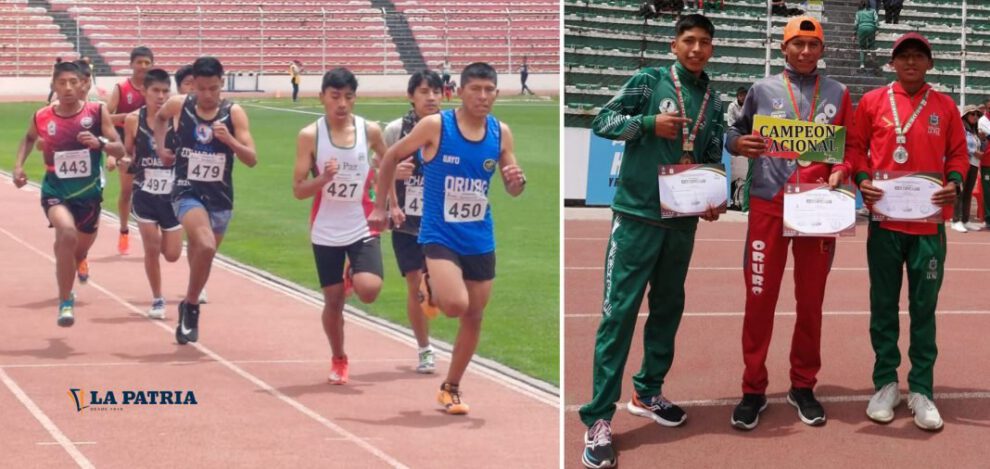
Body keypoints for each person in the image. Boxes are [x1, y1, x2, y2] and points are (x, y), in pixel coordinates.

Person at [574, 14, 724, 468]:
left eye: (704, 43)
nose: (696, 49)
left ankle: (648, 391)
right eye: (689, 41)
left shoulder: (713, 98)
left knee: (667, 309)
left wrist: (713, 196)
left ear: (712, 48)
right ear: (673, 45)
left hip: (682, 221)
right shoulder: (648, 79)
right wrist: (646, 124)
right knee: (618, 313)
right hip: (637, 215)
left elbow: (712, 151)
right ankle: (599, 418)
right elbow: (602, 120)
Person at [369, 62, 527, 416]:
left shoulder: (501, 133)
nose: (483, 96)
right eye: (476, 89)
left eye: (489, 90)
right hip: (438, 233)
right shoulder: (437, 126)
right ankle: (428, 282)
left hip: (479, 236)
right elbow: (391, 156)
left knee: (475, 315)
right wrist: (380, 206)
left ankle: (450, 387)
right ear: (460, 92)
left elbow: (512, 184)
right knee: (455, 305)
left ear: (497, 94)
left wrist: (516, 182)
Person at [727, 16, 853, 431]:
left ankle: (803, 385)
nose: (804, 51)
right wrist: (737, 143)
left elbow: (849, 147)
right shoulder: (762, 90)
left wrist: (843, 169)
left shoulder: (838, 92)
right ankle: (753, 389)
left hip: (816, 207)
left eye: (812, 45)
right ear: (784, 48)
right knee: (759, 300)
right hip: (768, 205)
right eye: (796, 44)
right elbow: (734, 132)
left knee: (810, 303)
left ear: (822, 50)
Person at [846, 32, 968, 432]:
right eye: (904, 56)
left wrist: (954, 180)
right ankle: (885, 383)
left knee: (923, 308)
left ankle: (921, 388)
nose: (911, 62)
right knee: (883, 305)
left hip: (929, 223)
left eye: (918, 56)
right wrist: (862, 177)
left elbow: (959, 154)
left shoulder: (945, 106)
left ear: (929, 63)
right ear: (893, 63)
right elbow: (855, 147)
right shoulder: (873, 102)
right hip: (884, 222)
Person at [292, 67, 388, 384]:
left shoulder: (370, 131)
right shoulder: (310, 136)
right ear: (322, 98)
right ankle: (339, 357)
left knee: (369, 290)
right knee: (333, 302)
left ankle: (354, 275)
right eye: (335, 97)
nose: (342, 104)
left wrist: (389, 205)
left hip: (362, 223)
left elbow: (388, 164)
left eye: (348, 97)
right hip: (326, 228)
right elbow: (298, 189)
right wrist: (323, 179)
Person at [152, 56, 258, 344]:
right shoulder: (179, 105)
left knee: (205, 254)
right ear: (193, 86)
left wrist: (231, 142)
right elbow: (159, 119)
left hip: (220, 197)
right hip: (187, 190)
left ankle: (188, 301)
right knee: (206, 243)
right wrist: (161, 148)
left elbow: (252, 159)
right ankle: (193, 308)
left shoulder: (233, 114)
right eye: (202, 89)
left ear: (222, 83)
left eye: (214, 88)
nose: (208, 95)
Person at [12, 61, 124, 326]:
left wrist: (101, 143)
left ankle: (78, 259)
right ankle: (65, 301)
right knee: (66, 233)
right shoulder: (42, 116)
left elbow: (119, 149)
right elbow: (29, 138)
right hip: (56, 190)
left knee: (77, 250)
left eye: (73, 82)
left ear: (82, 84)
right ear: (53, 86)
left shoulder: (97, 112)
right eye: (62, 83)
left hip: (88, 194)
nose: (68, 88)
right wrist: (18, 167)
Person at [383, 69, 444, 374]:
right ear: (411, 96)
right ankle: (425, 349)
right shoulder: (395, 131)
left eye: (435, 91)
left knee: (443, 290)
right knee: (412, 285)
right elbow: (378, 173)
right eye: (423, 91)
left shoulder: (452, 128)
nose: (431, 97)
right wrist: (393, 184)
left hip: (443, 223)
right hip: (406, 220)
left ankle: (433, 289)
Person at [121, 68, 183, 319]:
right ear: (143, 92)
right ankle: (158, 298)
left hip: (173, 195)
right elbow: (128, 151)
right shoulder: (133, 120)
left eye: (165, 91)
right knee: (151, 247)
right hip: (145, 192)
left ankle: (159, 260)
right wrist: (124, 160)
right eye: (155, 91)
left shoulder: (178, 119)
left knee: (172, 254)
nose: (160, 96)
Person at [108, 46, 155, 255]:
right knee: (127, 192)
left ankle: (151, 235)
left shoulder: (156, 89)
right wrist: (128, 118)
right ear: (131, 64)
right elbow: (106, 118)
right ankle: (124, 230)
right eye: (139, 62)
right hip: (125, 147)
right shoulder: (121, 88)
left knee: (151, 192)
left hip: (149, 147)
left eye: (147, 63)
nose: (143, 66)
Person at [951, 105, 984, 232]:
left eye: (977, 115)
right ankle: (956, 220)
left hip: (974, 164)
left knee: (968, 192)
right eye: (972, 114)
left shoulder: (973, 130)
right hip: (964, 162)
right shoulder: (960, 128)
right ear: (965, 115)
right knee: (960, 192)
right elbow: (958, 143)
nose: (975, 117)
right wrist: (973, 151)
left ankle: (965, 220)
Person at [727, 86, 748, 210]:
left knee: (744, 172)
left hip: (746, 135)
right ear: (737, 96)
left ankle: (741, 200)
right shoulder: (731, 106)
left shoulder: (749, 105)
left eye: (744, 95)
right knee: (734, 171)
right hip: (735, 136)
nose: (743, 97)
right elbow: (731, 122)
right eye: (741, 95)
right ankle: (733, 200)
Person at [855, 1, 879, 70]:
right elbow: (876, 20)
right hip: (871, 28)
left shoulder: (858, 12)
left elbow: (856, 23)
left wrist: (854, 33)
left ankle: (862, 64)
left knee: (862, 47)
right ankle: (873, 60)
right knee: (871, 45)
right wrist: (876, 28)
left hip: (861, 28)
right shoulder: (873, 11)